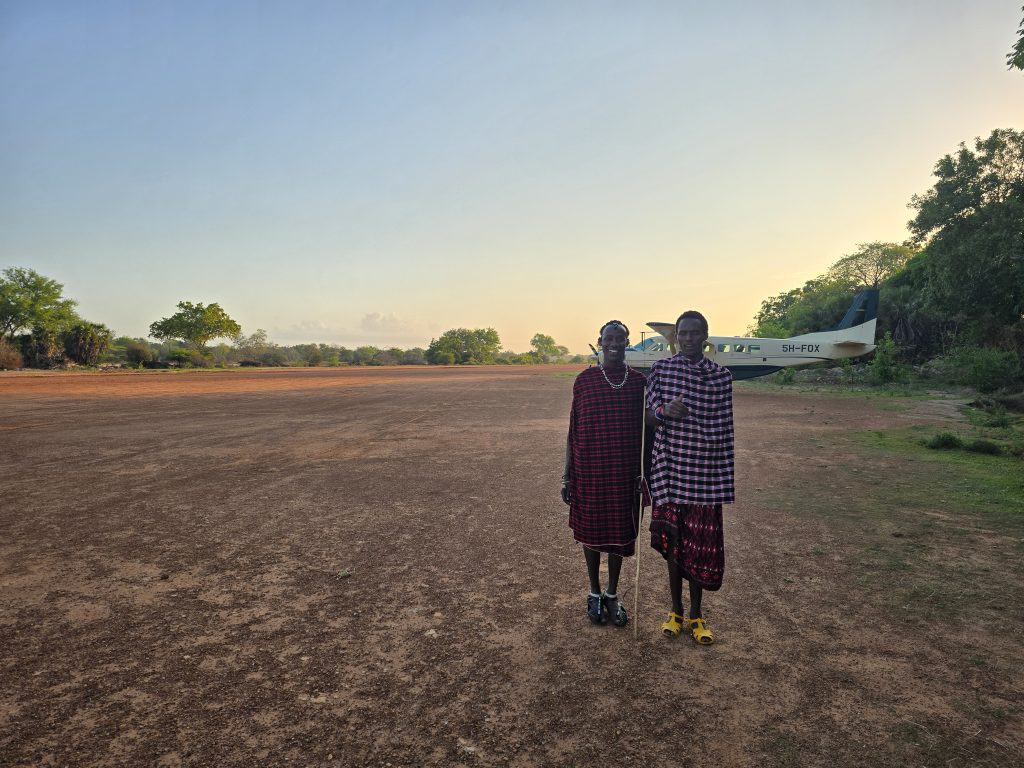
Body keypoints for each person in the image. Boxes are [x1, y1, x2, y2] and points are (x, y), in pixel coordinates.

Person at [645, 311, 734, 644]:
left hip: (704, 478)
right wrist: (664, 412)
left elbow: (722, 429)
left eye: (695, 333)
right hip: (670, 473)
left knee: (699, 547)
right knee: (674, 547)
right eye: (683, 333)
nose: (688, 338)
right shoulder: (661, 371)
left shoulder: (721, 378)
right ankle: (675, 610)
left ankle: (697, 614)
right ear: (676, 337)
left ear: (705, 335)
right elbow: (649, 419)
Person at [562, 320, 647, 627]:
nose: (614, 344)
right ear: (600, 341)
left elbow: (647, 434)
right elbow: (574, 429)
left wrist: (645, 475)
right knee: (592, 533)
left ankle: (612, 593)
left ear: (627, 344)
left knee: (620, 535)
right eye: (609, 339)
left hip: (624, 472)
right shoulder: (584, 380)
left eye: (620, 339)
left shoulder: (639, 382)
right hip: (590, 471)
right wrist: (566, 475)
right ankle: (594, 591)